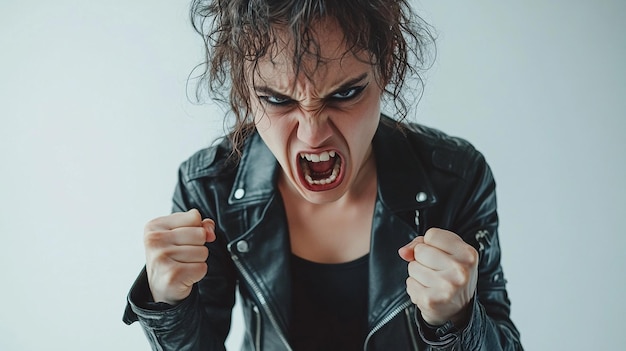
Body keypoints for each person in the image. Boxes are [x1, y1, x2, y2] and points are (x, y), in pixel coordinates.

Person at [123, 0, 523, 350]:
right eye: (277, 99)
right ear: (245, 92)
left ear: (385, 72)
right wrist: (167, 305)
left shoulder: (456, 177)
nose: (313, 133)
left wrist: (460, 320)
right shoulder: (210, 185)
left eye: (345, 93)